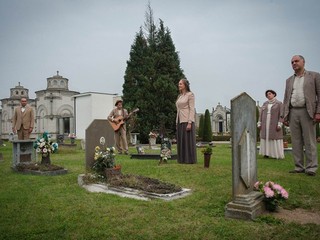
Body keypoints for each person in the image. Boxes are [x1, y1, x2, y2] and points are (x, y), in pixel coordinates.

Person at [282, 55, 320, 176]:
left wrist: (318, 112)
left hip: (308, 112)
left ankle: (311, 167)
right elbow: (286, 98)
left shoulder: (314, 76)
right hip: (293, 112)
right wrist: (284, 115)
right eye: (292, 62)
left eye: (296, 61)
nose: (294, 63)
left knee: (309, 141)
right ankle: (298, 167)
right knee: (296, 141)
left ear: (303, 62)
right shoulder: (289, 80)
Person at [257, 90, 284, 159]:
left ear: (274, 94)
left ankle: (276, 154)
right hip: (265, 122)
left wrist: (280, 123)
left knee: (274, 137)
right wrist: (259, 122)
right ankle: (266, 153)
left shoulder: (279, 103)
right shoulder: (265, 103)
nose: (268, 95)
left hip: (274, 122)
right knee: (266, 137)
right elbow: (261, 114)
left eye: (270, 94)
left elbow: (281, 114)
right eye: (267, 94)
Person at [176, 79, 197, 164]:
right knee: (181, 140)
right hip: (180, 120)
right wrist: (176, 122)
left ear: (185, 85)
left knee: (187, 140)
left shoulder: (190, 95)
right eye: (179, 84)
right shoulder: (180, 96)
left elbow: (192, 109)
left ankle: (189, 159)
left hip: (187, 119)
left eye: (180, 84)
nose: (179, 85)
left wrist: (190, 122)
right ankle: (182, 159)